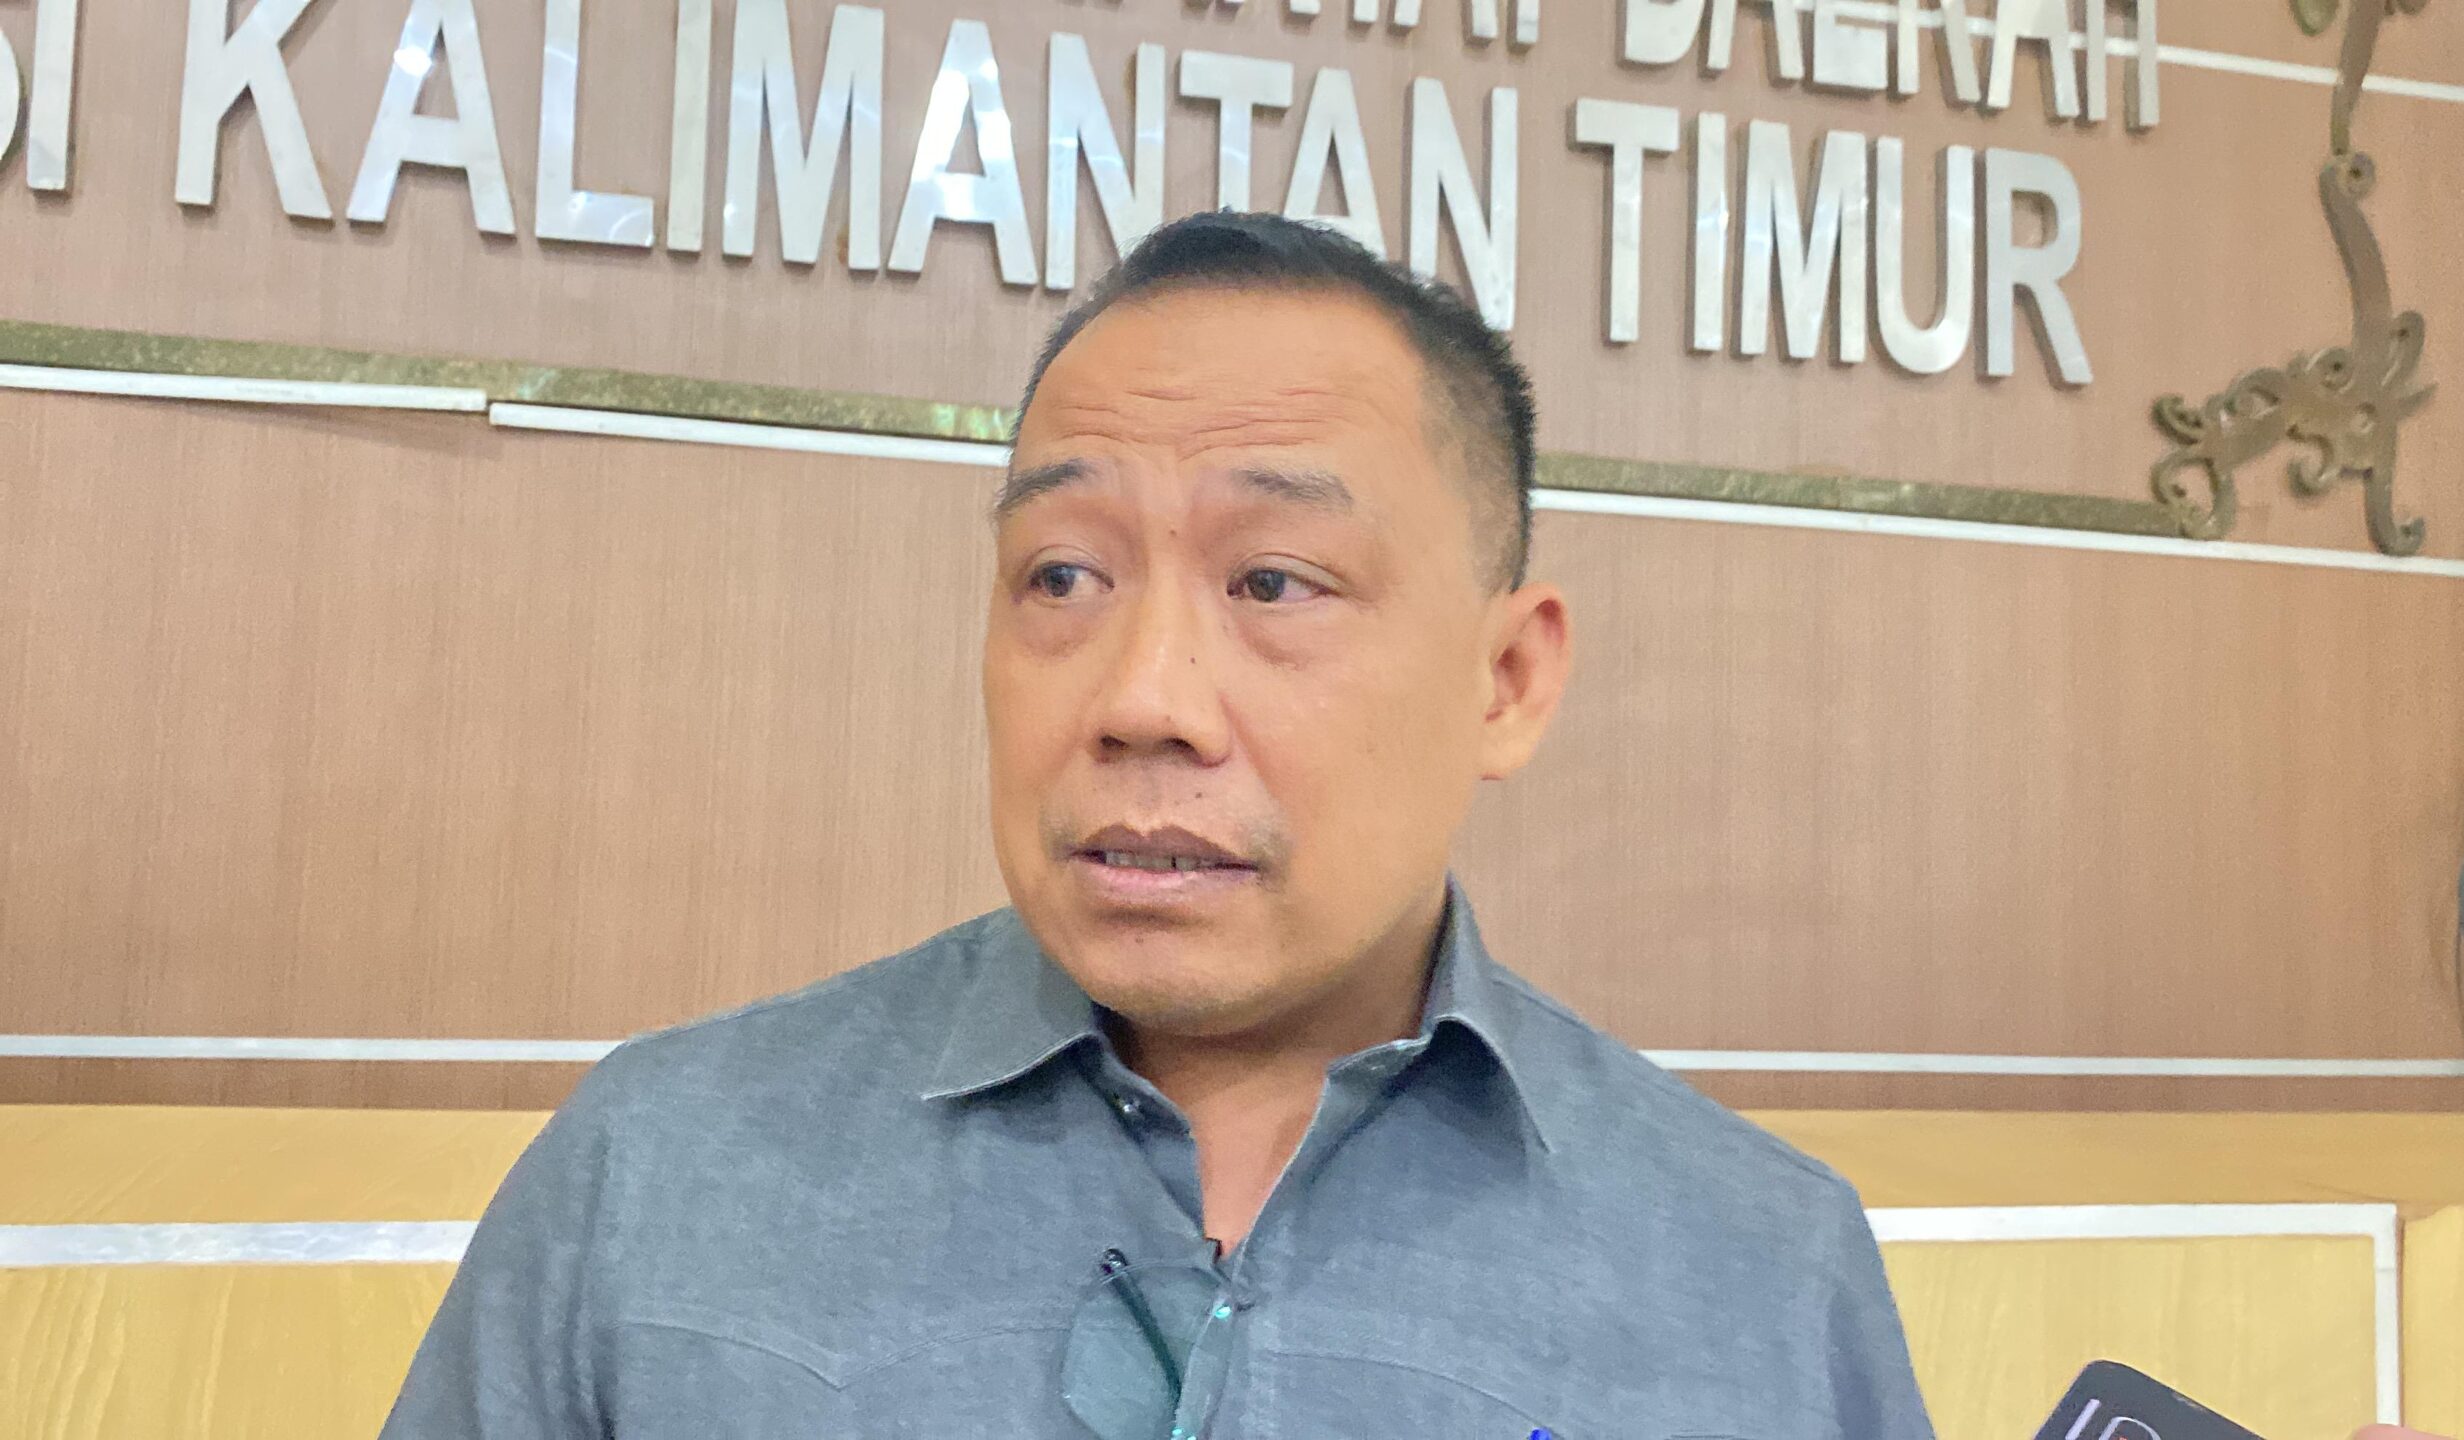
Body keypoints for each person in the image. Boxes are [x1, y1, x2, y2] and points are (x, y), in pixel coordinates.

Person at [381, 211, 1935, 1439]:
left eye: (1273, 582)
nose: (1143, 698)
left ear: (1506, 682)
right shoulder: (658, 1172)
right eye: (1063, 576)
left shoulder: (1762, 1276)